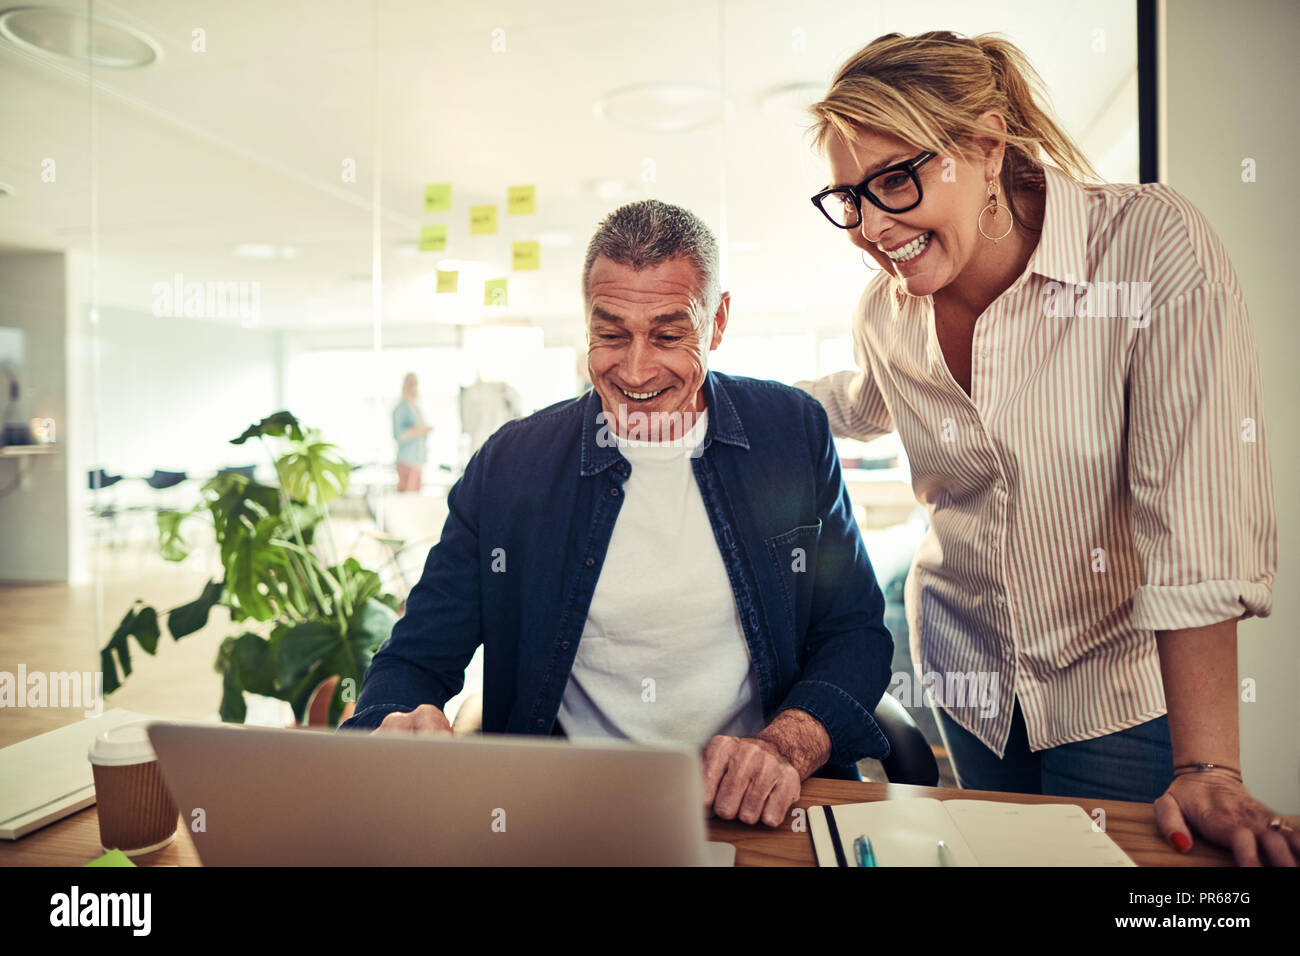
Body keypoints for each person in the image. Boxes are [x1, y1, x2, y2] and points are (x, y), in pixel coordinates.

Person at [797, 30, 1294, 865]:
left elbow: (1197, 513)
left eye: (894, 180)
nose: (870, 226)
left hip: (1115, 693)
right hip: (966, 673)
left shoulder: (1147, 247)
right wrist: (712, 391)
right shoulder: (885, 312)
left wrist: (1208, 765)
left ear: (986, 146)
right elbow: (866, 400)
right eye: (849, 197)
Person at [342, 200, 895, 827]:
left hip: (753, 810)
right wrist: (394, 719)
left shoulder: (791, 432)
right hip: (562, 813)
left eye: (667, 334)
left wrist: (785, 746)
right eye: (610, 334)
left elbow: (854, 633)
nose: (635, 369)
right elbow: (415, 657)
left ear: (717, 323)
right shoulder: (511, 465)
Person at [392, 373, 431, 492]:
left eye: (415, 383)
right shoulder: (401, 408)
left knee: (415, 499)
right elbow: (398, 435)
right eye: (411, 383)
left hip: (418, 460)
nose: (414, 387)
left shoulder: (415, 407)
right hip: (407, 461)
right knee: (407, 499)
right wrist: (418, 430)